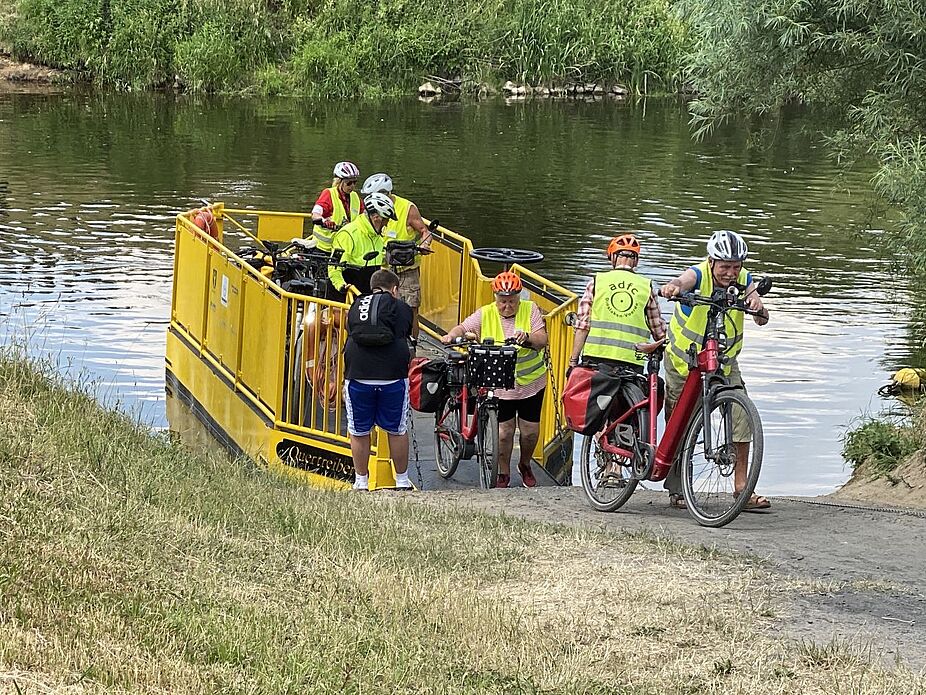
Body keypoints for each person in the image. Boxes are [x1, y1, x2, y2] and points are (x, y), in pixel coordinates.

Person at [659, 230, 771, 510]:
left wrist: (756, 305)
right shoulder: (698, 274)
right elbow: (682, 281)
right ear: (711, 262)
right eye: (725, 266)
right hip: (684, 363)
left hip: (724, 363)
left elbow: (761, 317)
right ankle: (677, 488)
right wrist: (672, 288)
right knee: (679, 423)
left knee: (742, 417)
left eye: (736, 266)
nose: (731, 273)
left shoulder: (744, 281)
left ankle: (742, 489)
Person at [440, 271, 548, 488]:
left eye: (511, 301)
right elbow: (464, 327)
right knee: (504, 432)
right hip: (499, 384)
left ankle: (525, 464)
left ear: (519, 297)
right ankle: (503, 472)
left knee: (529, 432)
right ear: (495, 298)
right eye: (502, 301)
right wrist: (451, 335)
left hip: (531, 382)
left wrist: (527, 338)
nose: (507, 305)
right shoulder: (486, 313)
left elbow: (541, 339)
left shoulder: (530, 309)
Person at [343, 269, 415, 491]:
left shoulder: (357, 304)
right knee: (397, 429)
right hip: (392, 375)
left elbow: (350, 329)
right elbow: (404, 332)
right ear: (394, 289)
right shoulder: (400, 307)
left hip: (358, 373)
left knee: (359, 430)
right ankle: (401, 481)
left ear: (372, 287)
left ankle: (361, 482)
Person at [569, 233, 666, 371]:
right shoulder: (646, 287)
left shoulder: (596, 282)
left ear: (613, 257)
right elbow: (659, 331)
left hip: (595, 359)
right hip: (632, 362)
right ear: (636, 261)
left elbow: (582, 326)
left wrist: (573, 361)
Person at [360, 173, 433, 346]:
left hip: (406, 270)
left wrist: (425, 245)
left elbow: (425, 230)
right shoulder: (370, 209)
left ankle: (412, 344)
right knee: (380, 307)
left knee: (411, 309)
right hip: (383, 270)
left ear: (386, 194)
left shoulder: (407, 208)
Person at [326, 192, 396, 301]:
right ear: (376, 217)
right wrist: (342, 286)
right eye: (386, 220)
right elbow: (334, 268)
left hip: (366, 296)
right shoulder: (348, 234)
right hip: (347, 296)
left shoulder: (377, 236)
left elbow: (381, 262)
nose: (386, 224)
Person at [311, 161, 363, 252]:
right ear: (339, 182)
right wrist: (323, 221)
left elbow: (365, 216)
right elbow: (316, 212)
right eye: (349, 183)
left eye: (355, 182)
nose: (352, 186)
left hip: (344, 245)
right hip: (324, 247)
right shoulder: (329, 194)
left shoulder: (355, 197)